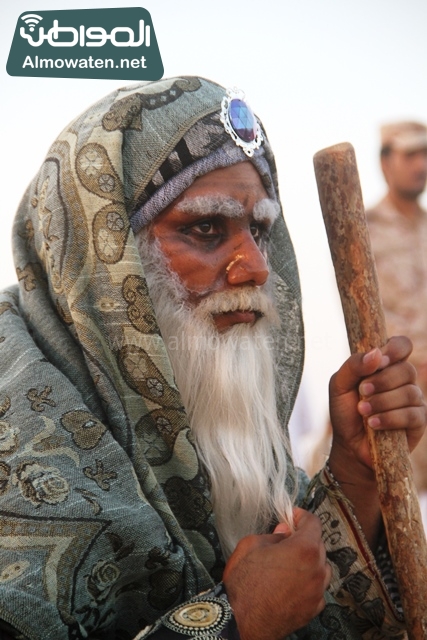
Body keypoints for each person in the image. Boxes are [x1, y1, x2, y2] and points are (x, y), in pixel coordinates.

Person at [0, 77, 424, 640]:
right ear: (100, 257)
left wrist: (357, 471)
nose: (255, 268)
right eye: (206, 228)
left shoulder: (209, 425)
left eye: (260, 230)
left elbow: (296, 595)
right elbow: (258, 605)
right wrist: (230, 622)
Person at [366, 121, 427, 530]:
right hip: (392, 393)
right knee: (380, 519)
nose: (421, 164)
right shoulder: (362, 228)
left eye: (425, 154)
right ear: (386, 162)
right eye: (410, 155)